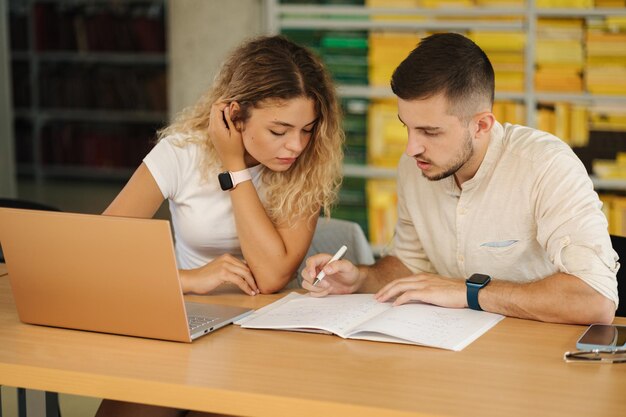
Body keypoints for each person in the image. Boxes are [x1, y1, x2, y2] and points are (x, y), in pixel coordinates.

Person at [96, 35, 343, 417]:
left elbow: (272, 275)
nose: (295, 145)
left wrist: (235, 167)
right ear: (234, 115)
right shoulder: (182, 153)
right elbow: (98, 251)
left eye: (307, 129)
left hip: (267, 328)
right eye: (279, 131)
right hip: (187, 318)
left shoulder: (309, 165)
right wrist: (191, 279)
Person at [302, 32, 618, 325]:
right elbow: (411, 266)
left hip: (534, 360)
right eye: (406, 127)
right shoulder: (416, 165)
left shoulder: (547, 166)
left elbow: (596, 300)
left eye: (430, 132)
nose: (412, 148)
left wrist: (470, 293)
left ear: (481, 125)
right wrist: (358, 278)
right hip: (452, 350)